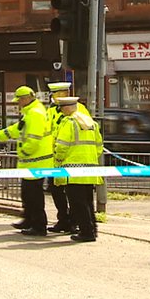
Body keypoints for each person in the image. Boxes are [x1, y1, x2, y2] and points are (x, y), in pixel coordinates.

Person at [0, 85, 53, 236]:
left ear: (26, 99)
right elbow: (17, 129)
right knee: (27, 193)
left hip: (36, 160)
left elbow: (34, 139)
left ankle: (39, 225)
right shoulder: (30, 112)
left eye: (19, 100)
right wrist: (0, 135)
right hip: (31, 161)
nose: (17, 103)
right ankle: (29, 219)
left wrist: (24, 152)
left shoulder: (35, 114)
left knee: (34, 194)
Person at [52, 96, 104, 242]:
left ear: (67, 108)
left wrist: (58, 159)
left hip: (72, 170)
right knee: (87, 202)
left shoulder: (69, 123)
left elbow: (61, 145)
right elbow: (99, 146)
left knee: (77, 203)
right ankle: (92, 229)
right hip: (90, 169)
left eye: (61, 108)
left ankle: (86, 232)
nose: (61, 111)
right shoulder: (91, 123)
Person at [44, 81, 91, 233]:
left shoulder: (78, 109)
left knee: (75, 194)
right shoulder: (51, 111)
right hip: (55, 157)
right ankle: (64, 219)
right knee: (56, 190)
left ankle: (74, 221)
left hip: (72, 158)